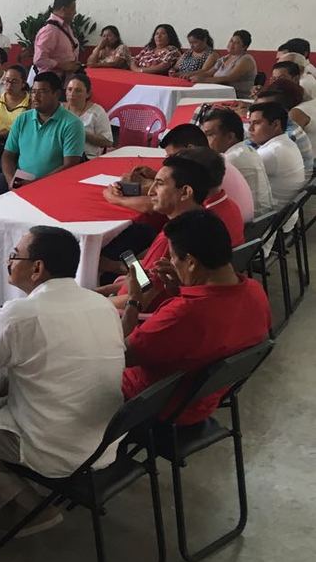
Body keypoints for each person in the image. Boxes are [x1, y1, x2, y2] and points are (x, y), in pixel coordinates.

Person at [0, 227, 124, 530]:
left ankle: (29, 507)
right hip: (103, 441)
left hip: (56, 450)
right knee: (10, 381)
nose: (9, 262)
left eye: (14, 256)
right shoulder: (101, 304)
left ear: (37, 268)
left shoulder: (23, 312)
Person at [120, 210, 271, 425]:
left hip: (150, 405)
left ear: (191, 262)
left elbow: (120, 355)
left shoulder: (184, 314)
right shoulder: (255, 292)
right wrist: (181, 289)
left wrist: (134, 302)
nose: (172, 262)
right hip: (201, 400)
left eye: (173, 257)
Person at [104, 152, 240, 313]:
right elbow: (142, 281)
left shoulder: (174, 240)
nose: (150, 192)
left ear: (185, 192)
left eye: (159, 184)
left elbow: (140, 300)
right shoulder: (203, 223)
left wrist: (93, 301)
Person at [0, 72, 84, 202]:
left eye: (42, 92)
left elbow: (70, 166)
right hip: (20, 179)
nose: (35, 96)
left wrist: (35, 184)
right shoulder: (23, 118)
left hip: (51, 183)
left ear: (57, 94)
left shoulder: (72, 124)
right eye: (33, 91)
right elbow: (8, 155)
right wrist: (11, 181)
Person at [201, 107, 273, 216]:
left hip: (250, 223)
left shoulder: (229, 160)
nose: (204, 141)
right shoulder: (247, 150)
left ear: (230, 137)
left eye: (210, 135)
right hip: (263, 220)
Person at [247, 100, 306, 209]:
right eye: (250, 123)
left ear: (275, 125)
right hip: (285, 214)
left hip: (271, 217)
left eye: (257, 123)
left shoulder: (272, 152)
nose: (250, 129)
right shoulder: (285, 143)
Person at [0, 64, 31, 171]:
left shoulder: (29, 104)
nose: (9, 85)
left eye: (14, 82)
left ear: (23, 84)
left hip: (15, 148)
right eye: (6, 81)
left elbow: (30, 133)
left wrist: (9, 134)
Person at [190, 30, 258, 98]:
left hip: (237, 96)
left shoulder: (246, 59)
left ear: (244, 47)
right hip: (219, 93)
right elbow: (209, 73)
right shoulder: (224, 58)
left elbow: (230, 78)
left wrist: (204, 80)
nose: (231, 44)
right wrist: (191, 76)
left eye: (236, 43)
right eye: (231, 41)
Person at [30, 0, 80, 79]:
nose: (75, 12)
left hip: (65, 79)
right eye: (73, 9)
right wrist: (62, 65)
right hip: (52, 81)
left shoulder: (65, 27)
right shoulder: (50, 30)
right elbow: (39, 59)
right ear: (63, 9)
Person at [65, 73, 113, 156]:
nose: (72, 94)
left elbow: (108, 142)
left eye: (78, 91)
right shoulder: (60, 109)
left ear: (88, 94)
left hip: (87, 157)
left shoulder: (97, 111)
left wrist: (80, 132)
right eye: (69, 89)